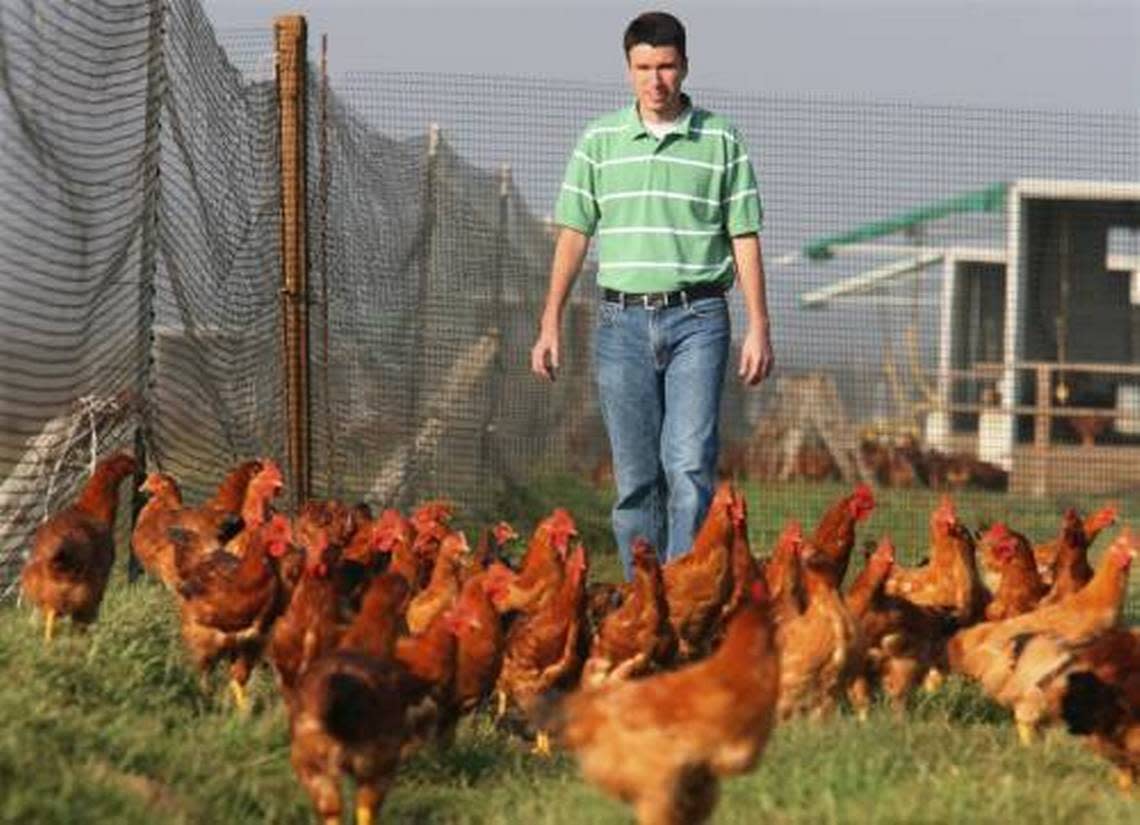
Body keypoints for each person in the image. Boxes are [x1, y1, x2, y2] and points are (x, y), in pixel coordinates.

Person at [530, 11, 773, 578]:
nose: (655, 80)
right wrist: (549, 323)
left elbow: (744, 235)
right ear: (628, 69)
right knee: (636, 477)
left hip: (700, 319)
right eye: (643, 67)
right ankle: (645, 599)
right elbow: (572, 235)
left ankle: (685, 597)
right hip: (621, 325)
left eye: (666, 66)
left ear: (685, 67)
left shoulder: (721, 138)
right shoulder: (599, 140)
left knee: (688, 466)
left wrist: (759, 325)